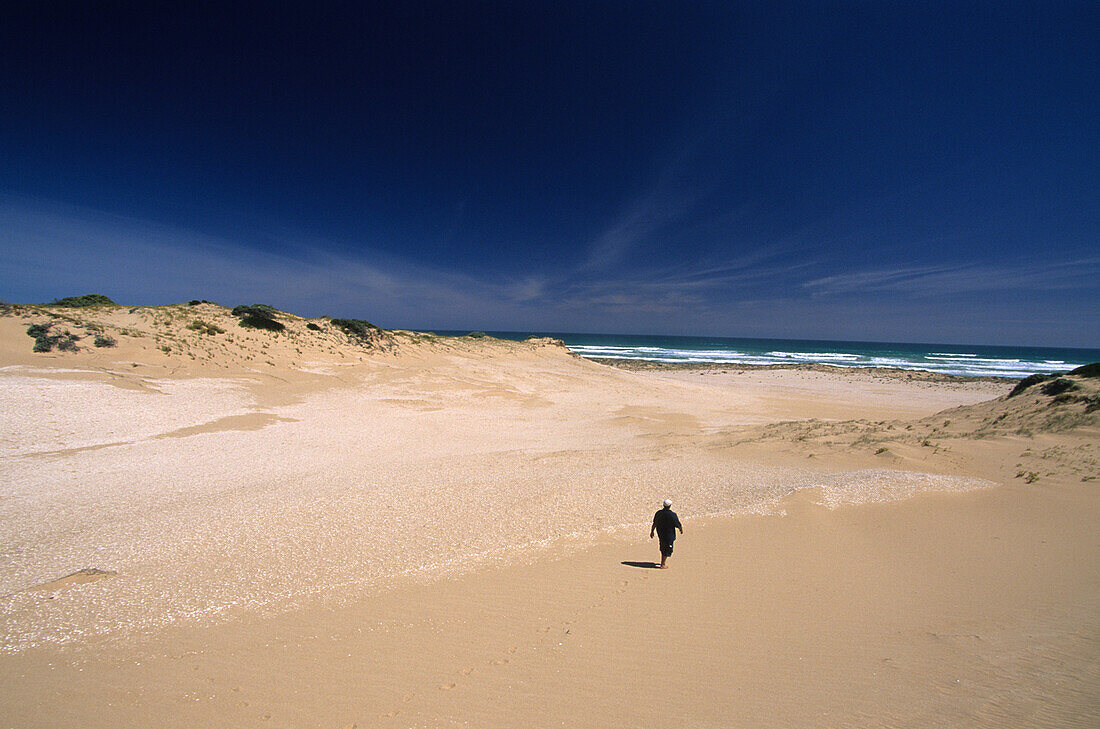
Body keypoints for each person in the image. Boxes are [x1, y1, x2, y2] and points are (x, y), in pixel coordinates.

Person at [650, 499, 683, 568]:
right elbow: (678, 524)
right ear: (670, 506)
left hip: (661, 533)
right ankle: (663, 564)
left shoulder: (658, 513)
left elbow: (654, 523)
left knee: (663, 547)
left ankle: (663, 562)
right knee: (667, 549)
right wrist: (681, 530)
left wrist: (652, 531)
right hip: (669, 535)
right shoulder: (672, 515)